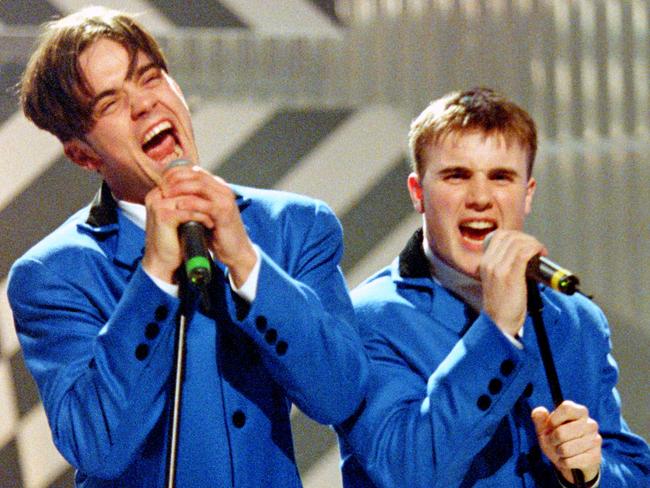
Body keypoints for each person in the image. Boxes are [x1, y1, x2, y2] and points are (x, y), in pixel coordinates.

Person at [8, 7, 368, 487]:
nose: (144, 105)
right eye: (110, 103)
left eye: (150, 78)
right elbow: (96, 446)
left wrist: (246, 262)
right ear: (82, 154)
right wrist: (154, 277)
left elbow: (340, 393)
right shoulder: (54, 275)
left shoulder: (293, 226)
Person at [336, 88, 650, 487]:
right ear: (418, 193)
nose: (480, 198)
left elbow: (633, 471)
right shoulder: (367, 319)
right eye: (457, 175)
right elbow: (406, 474)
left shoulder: (574, 319)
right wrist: (496, 330)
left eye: (501, 177)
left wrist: (591, 474)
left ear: (527, 194)